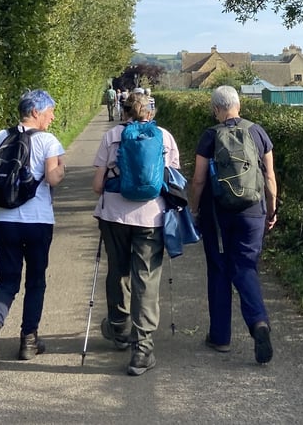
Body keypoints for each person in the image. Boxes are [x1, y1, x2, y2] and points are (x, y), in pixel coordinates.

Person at [0, 89, 66, 370]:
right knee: (36, 280)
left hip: (5, 221)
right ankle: (29, 340)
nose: (52, 117)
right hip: (38, 221)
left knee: (7, 280)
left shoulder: (1, 136)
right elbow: (52, 178)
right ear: (36, 112)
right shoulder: (49, 141)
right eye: (49, 112)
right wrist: (62, 168)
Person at [91, 92, 180, 376]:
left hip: (114, 216)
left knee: (117, 270)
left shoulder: (112, 136)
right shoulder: (164, 136)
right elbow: (173, 178)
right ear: (150, 112)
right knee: (147, 277)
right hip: (151, 217)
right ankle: (142, 349)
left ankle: (118, 328)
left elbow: (96, 185)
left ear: (123, 110)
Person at [188, 85, 278, 364]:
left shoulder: (210, 136)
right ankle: (258, 322)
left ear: (216, 109)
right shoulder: (258, 132)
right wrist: (272, 211)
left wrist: (194, 209)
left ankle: (220, 337)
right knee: (245, 266)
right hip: (253, 212)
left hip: (218, 213)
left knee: (219, 269)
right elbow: (270, 179)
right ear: (239, 105)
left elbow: (200, 179)